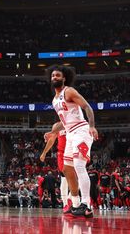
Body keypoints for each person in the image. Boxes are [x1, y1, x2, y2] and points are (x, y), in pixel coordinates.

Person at [49, 65, 98, 218]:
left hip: (81, 130)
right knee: (67, 169)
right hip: (69, 134)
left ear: (64, 78)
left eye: (57, 75)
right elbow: (63, 122)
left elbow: (87, 107)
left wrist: (92, 126)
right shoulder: (54, 100)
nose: (54, 78)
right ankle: (75, 204)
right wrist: (52, 131)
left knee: (79, 165)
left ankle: (86, 204)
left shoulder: (69, 91)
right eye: (52, 76)